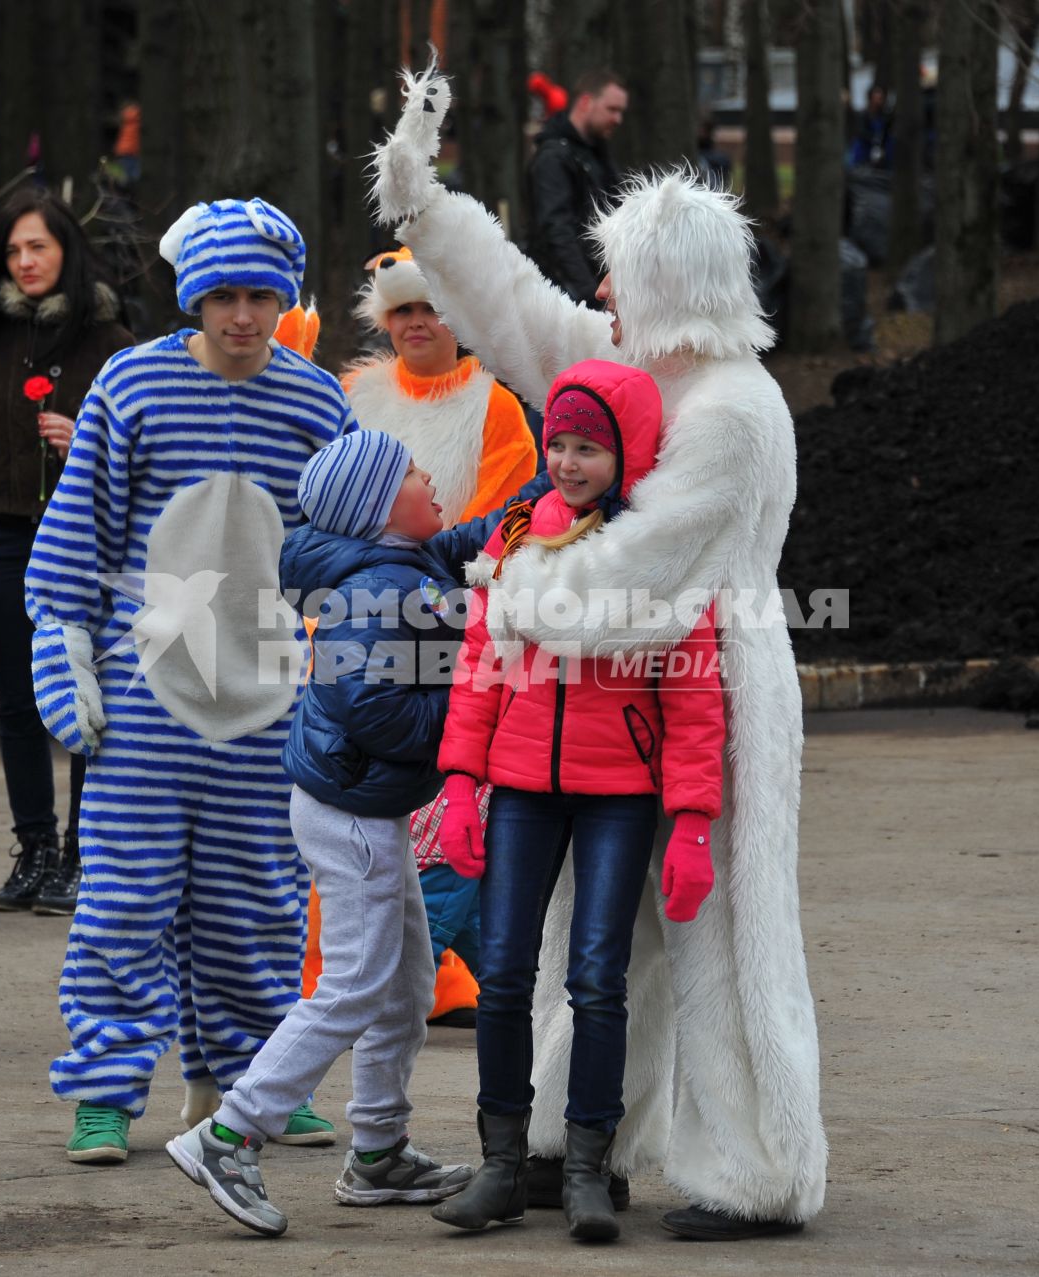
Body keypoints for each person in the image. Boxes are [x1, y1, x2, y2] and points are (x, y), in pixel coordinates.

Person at [372, 65, 826, 1241]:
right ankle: (566, 1138)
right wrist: (427, 207)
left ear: (667, 283)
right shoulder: (650, 373)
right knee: (606, 928)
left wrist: (510, 588)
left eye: (622, 270)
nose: (605, 286)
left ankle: (759, 1168)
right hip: (621, 687)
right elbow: (527, 315)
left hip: (710, 678)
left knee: (719, 930)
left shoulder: (729, 410)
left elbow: (639, 579)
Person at [26, 198, 355, 1165]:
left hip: (267, 703)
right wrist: (63, 642)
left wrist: (340, 673)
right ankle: (103, 1087)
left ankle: (255, 1081)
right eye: (222, 296)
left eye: (260, 296)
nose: (242, 316)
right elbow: (77, 527)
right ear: (193, 297)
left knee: (259, 901)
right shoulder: (130, 385)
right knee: (122, 901)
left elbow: (334, 551)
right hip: (147, 700)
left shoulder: (316, 401)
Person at [167, 430, 506, 1236]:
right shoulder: (379, 587)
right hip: (353, 810)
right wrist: (465, 714)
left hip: (362, 803)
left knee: (408, 983)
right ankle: (230, 1131)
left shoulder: (392, 563)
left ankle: (379, 1150)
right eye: (418, 474)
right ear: (384, 508)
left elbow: (457, 544)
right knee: (355, 981)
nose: (433, 479)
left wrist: (528, 508)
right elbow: (371, 703)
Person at [428, 360, 723, 1243]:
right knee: (506, 974)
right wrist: (458, 782)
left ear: (626, 451)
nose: (566, 459)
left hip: (618, 797)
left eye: (588, 445)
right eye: (557, 441)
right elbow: (480, 670)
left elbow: (694, 690)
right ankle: (501, 1166)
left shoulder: (658, 551)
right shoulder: (519, 538)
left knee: (598, 979)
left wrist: (695, 821)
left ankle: (591, 1170)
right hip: (519, 789)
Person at [0, 188, 133, 915]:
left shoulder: (112, 342)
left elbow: (149, 450)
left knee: (84, 695)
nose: (26, 260)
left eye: (38, 246)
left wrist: (90, 442)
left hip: (86, 539)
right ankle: (35, 847)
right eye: (12, 250)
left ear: (66, 250)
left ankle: (83, 852)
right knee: (19, 700)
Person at [338, 247, 536, 1018]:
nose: (417, 323)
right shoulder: (353, 392)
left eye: (431, 307)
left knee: (455, 803)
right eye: (403, 311)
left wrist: (429, 584)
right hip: (360, 626)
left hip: (457, 628)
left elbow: (504, 518)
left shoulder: (498, 408)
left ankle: (407, 974)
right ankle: (470, 973)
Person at [526, 69, 626, 309]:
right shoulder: (553, 158)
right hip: (567, 299)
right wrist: (590, 295)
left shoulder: (596, 153)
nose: (618, 119)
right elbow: (557, 232)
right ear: (585, 102)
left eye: (621, 111)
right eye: (612, 109)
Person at [847, 85, 892, 170]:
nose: (879, 101)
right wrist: (874, 139)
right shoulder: (863, 115)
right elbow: (861, 132)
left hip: (879, 152)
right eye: (876, 98)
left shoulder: (884, 116)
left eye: (881, 98)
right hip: (863, 150)